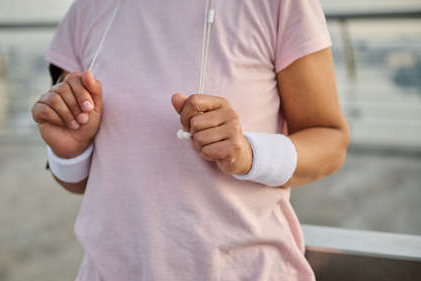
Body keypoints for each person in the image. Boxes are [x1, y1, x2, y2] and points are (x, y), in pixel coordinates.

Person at [31, 0, 350, 280]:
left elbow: (330, 140)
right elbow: (78, 183)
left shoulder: (278, 4)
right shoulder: (87, 10)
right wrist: (68, 152)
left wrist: (248, 153)